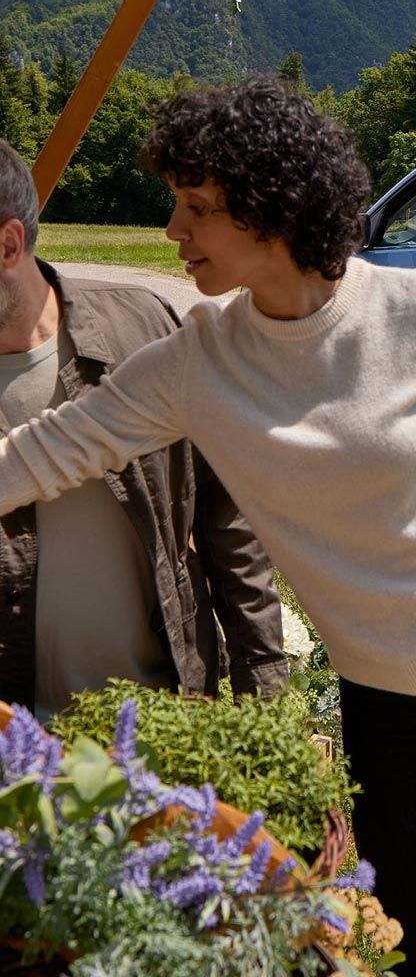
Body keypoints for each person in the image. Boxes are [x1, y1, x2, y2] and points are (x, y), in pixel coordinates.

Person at [0, 78, 416, 976]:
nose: (174, 232)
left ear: (271, 210)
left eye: (197, 208)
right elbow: (45, 453)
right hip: (387, 712)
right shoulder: (196, 363)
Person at [0, 141, 287, 719]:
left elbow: (227, 517)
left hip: (164, 725)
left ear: (9, 244)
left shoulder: (145, 329)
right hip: (19, 755)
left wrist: (267, 696)